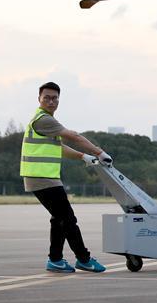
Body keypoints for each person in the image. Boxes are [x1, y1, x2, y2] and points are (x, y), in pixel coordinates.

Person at [22, 81, 109, 273]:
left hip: (45, 178)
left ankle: (55, 260)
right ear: (39, 99)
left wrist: (82, 156)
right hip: (42, 178)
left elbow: (59, 148)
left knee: (59, 219)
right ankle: (84, 259)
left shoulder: (44, 121)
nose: (51, 101)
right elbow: (74, 137)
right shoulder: (44, 119)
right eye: (47, 98)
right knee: (68, 219)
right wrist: (99, 152)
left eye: (55, 98)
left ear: (59, 100)